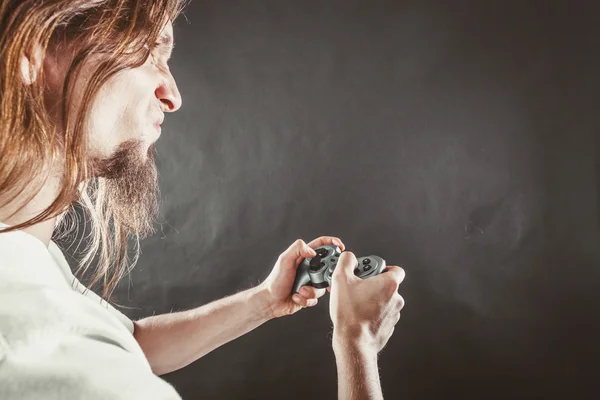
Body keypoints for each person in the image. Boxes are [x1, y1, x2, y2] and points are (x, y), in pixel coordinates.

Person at [0, 1, 406, 399]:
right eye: (148, 51)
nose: (172, 95)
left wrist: (266, 299)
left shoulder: (23, 253)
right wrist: (357, 343)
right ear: (32, 53)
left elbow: (129, 344)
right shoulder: (54, 361)